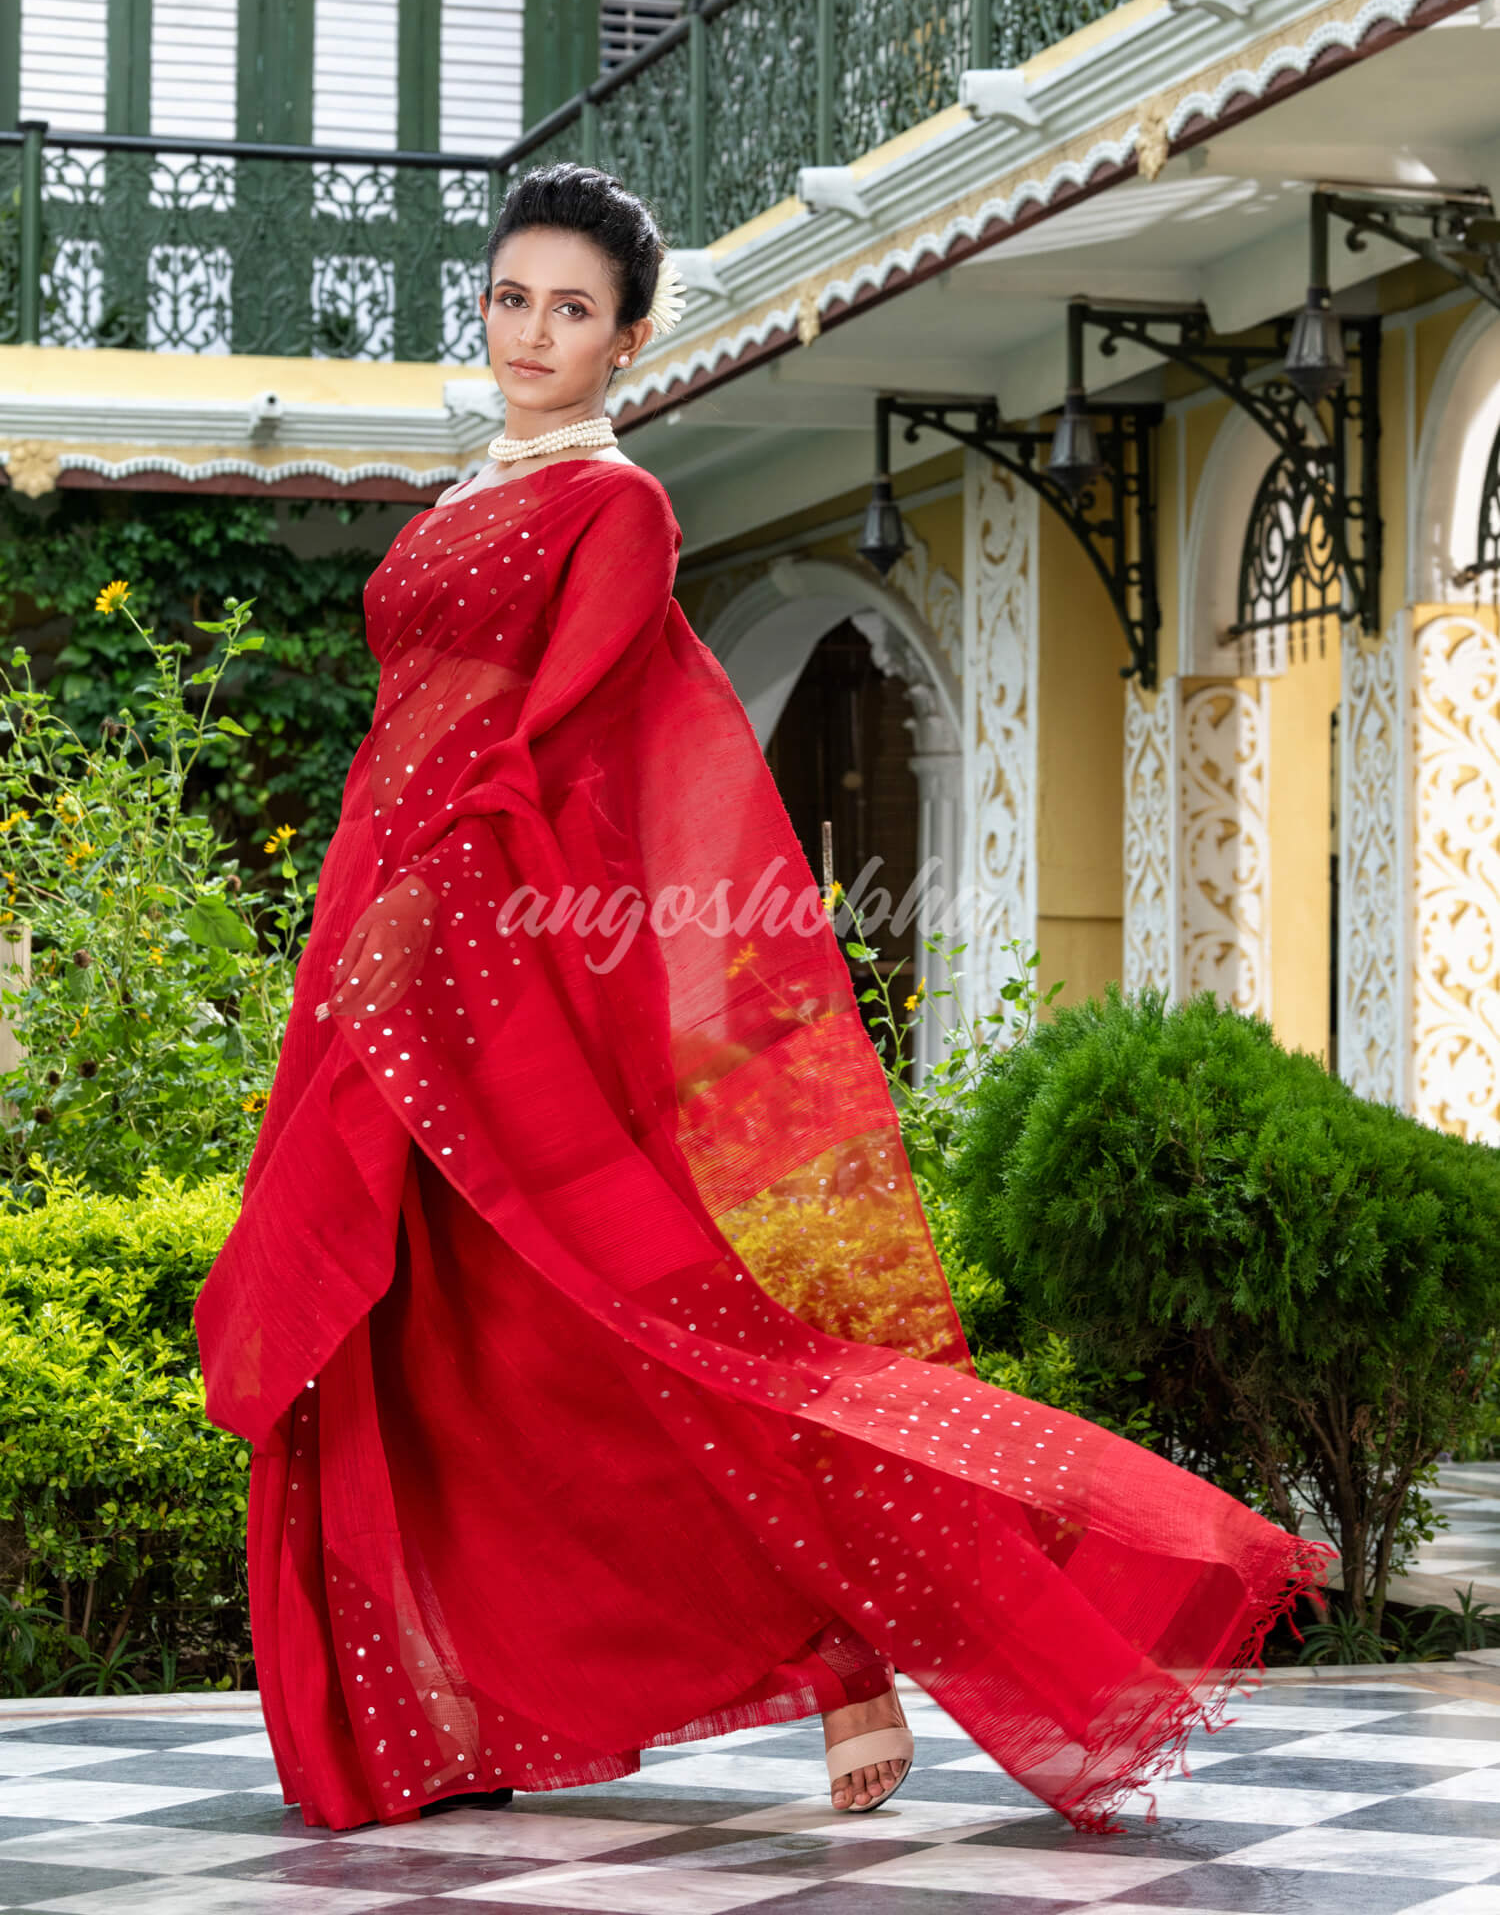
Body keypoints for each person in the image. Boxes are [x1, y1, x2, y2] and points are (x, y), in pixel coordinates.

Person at [195, 162, 1331, 1837]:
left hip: (491, 961)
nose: (533, 333)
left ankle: (848, 1639)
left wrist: (422, 910)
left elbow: (558, 740)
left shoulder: (616, 509)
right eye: (513, 299)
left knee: (651, 1334)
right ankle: (455, 1710)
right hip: (384, 950)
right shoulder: (454, 505)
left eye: (572, 311)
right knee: (451, 1346)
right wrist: (371, 929)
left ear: (629, 339)